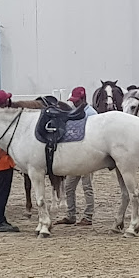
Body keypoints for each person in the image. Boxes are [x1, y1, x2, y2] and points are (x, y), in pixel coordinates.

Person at [54, 86, 98, 226]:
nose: (74, 103)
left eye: (76, 101)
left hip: (88, 155)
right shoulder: (75, 112)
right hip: (76, 156)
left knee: (87, 186)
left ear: (83, 99)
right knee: (69, 186)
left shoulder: (91, 114)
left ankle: (88, 215)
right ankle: (71, 214)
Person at [0, 89, 20, 232]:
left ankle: (0, 219)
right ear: (5, 102)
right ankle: (0, 221)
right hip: (2, 160)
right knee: (2, 191)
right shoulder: (3, 119)